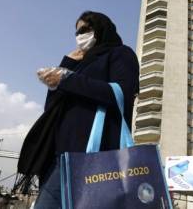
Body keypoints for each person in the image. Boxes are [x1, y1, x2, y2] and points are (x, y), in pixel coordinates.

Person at [17, 11, 140, 208]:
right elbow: (52, 107)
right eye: (77, 32)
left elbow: (121, 94)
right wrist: (67, 64)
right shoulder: (79, 64)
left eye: (85, 29)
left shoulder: (121, 53)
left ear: (101, 28)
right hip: (58, 156)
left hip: (95, 156)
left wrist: (67, 78)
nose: (80, 35)